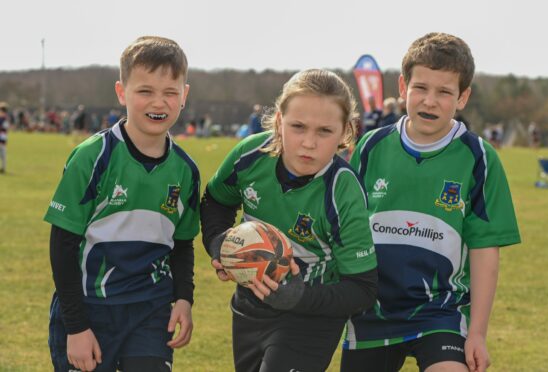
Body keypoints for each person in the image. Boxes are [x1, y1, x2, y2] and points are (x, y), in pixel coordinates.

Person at [342, 32, 521, 372]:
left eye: (444, 92)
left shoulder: (479, 157)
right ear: (402, 86)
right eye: (420, 88)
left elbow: (485, 253)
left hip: (442, 310)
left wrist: (478, 334)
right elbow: (345, 228)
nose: (430, 101)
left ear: (463, 97)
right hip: (372, 309)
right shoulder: (370, 147)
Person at [201, 69, 378, 372]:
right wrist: (220, 244)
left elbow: (361, 289)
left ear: (346, 131)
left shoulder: (342, 191)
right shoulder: (250, 155)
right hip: (248, 308)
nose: (309, 142)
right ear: (279, 122)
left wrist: (299, 297)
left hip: (311, 318)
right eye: (298, 126)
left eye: (324, 131)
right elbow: (216, 200)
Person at [44, 36, 199, 372]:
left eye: (170, 92)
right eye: (145, 91)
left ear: (184, 95)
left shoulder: (185, 171)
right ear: (121, 92)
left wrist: (184, 298)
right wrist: (76, 327)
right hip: (90, 309)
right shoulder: (93, 157)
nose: (158, 103)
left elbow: (182, 244)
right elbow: (62, 246)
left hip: (150, 308)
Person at [0, 103, 9, 173]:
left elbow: (4, 128)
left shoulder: (4, 118)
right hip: (3, 136)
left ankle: (3, 168)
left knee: (3, 153)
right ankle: (3, 167)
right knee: (3, 153)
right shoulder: (3, 118)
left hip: (2, 136)